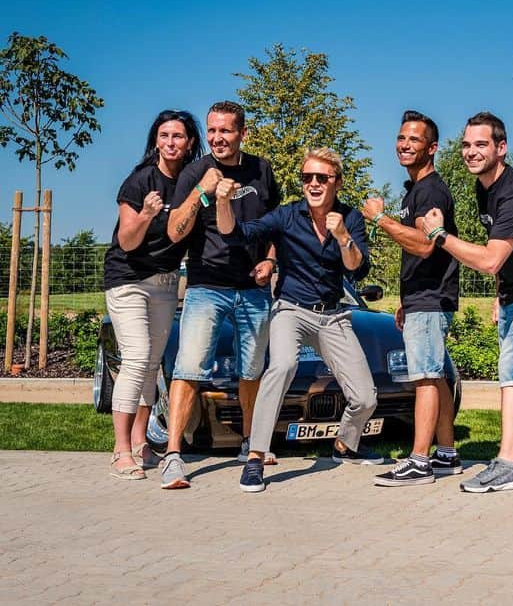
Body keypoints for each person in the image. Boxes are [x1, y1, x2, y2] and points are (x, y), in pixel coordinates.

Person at [216, 147, 385, 492]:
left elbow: (356, 266)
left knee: (366, 397)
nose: (313, 183)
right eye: (307, 177)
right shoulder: (287, 216)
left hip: (333, 316)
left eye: (321, 177)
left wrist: (342, 237)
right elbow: (239, 234)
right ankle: (256, 457)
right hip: (291, 310)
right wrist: (222, 203)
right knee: (281, 367)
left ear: (336, 182)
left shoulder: (349, 219)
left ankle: (344, 445)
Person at [420, 111, 513, 493]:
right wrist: (501, 295)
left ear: (501, 148)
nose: (471, 152)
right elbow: (504, 256)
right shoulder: (485, 188)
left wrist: (439, 235)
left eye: (481, 145)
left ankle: (508, 464)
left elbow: (489, 259)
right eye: (467, 145)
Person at [159, 101, 281, 490]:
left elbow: (276, 226)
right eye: (212, 131)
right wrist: (201, 191)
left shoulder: (261, 170)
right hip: (206, 285)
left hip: (252, 288)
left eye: (225, 131)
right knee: (189, 368)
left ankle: (250, 444)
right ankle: (173, 456)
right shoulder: (196, 171)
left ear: (242, 133)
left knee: (252, 370)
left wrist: (271, 262)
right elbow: (175, 232)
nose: (217, 138)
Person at [102, 110, 202, 479]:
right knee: (137, 356)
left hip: (164, 280)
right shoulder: (141, 179)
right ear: (156, 140)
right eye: (164, 136)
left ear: (190, 142)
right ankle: (120, 450)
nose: (171, 142)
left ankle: (142, 441)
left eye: (178, 136)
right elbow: (126, 241)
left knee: (152, 361)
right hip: (127, 278)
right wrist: (146, 214)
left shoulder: (194, 182)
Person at [362, 111, 460, 487]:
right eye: (401, 138)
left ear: (431, 148)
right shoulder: (417, 190)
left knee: (424, 378)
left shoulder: (431, 190)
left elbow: (423, 245)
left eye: (414, 140)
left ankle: (419, 461)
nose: (404, 145)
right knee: (435, 377)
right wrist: (408, 298)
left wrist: (381, 219)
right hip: (424, 298)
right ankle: (447, 453)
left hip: (432, 300)